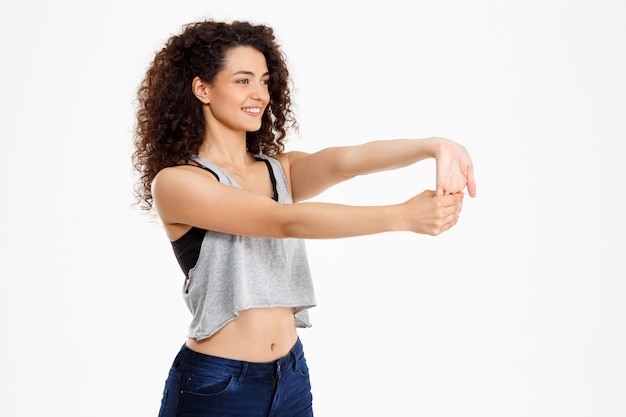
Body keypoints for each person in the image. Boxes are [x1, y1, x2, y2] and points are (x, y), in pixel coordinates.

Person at [132, 19, 476, 417]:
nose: (259, 94)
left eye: (264, 80)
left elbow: (347, 161)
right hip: (217, 386)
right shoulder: (177, 183)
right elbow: (284, 221)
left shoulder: (280, 170)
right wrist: (401, 216)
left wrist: (435, 146)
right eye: (243, 81)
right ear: (202, 88)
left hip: (290, 377)